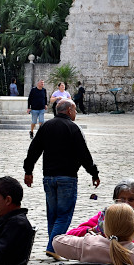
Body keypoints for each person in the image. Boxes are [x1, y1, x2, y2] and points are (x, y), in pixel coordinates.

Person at [24, 98, 100, 257]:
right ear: (69, 111)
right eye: (75, 110)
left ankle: (55, 247)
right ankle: (52, 247)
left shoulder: (46, 127)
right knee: (64, 214)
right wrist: (93, 173)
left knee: (52, 214)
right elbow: (83, 154)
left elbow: (34, 150)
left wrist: (28, 171)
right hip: (67, 178)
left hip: (49, 178)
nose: (76, 113)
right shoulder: (73, 128)